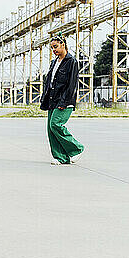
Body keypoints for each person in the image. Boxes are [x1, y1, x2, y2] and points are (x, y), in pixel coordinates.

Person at [40, 34, 85, 165]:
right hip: (52, 100)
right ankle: (61, 157)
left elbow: (72, 84)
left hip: (64, 100)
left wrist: (65, 101)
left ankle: (77, 149)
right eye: (52, 48)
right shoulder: (54, 62)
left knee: (56, 124)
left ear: (63, 44)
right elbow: (50, 81)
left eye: (55, 47)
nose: (53, 50)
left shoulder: (72, 61)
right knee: (50, 128)